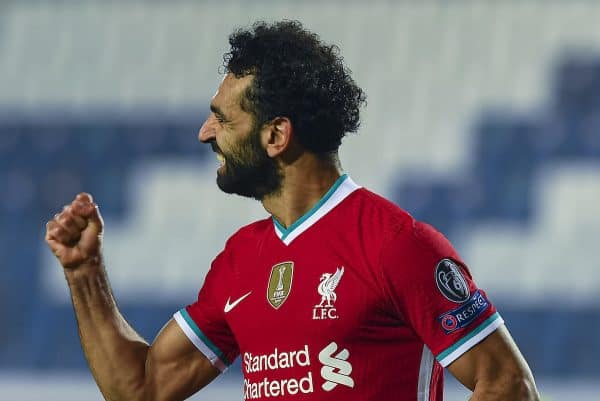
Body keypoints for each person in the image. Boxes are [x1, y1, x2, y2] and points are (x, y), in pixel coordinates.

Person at [45, 20, 539, 401]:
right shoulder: (240, 260)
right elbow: (144, 388)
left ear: (276, 136)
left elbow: (508, 384)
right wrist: (84, 272)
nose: (204, 132)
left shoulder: (396, 244)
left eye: (222, 120)